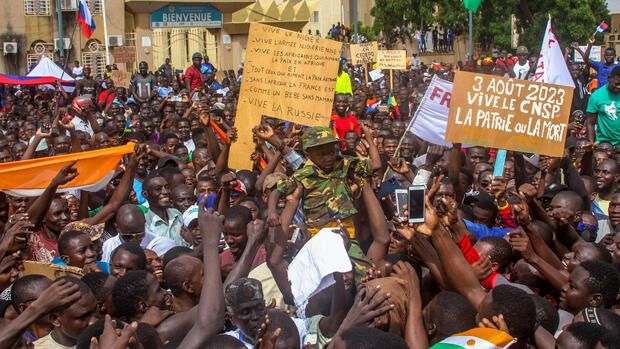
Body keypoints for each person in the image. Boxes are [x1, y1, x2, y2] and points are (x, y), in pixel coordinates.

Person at [586, 66, 620, 144]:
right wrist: (591, 143)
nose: (619, 87)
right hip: (604, 144)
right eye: (617, 84)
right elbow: (590, 123)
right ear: (609, 78)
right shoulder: (596, 96)